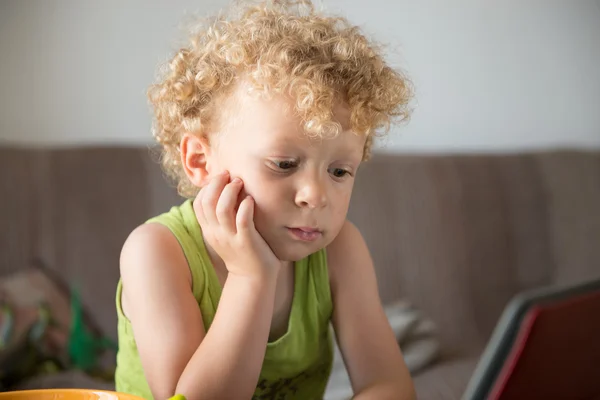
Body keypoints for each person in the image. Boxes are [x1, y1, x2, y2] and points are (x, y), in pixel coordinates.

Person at [115, 0, 415, 399]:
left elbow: (388, 384)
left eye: (339, 171)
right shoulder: (155, 252)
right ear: (200, 161)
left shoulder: (342, 252)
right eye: (284, 163)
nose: (315, 194)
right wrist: (250, 276)